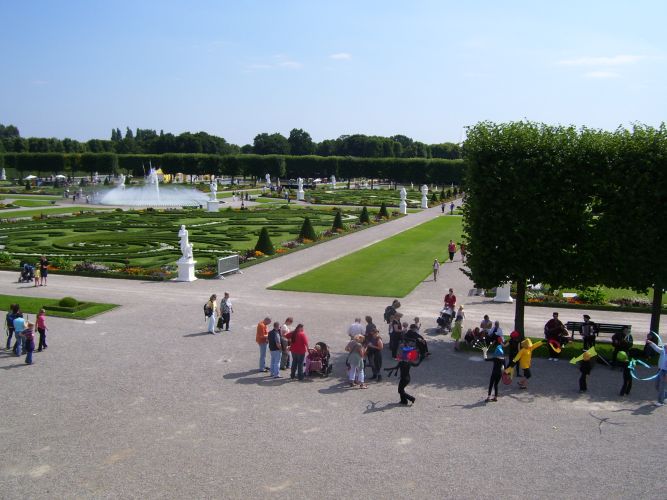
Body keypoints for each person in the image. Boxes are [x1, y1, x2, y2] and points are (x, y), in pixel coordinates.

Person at [645, 335, 666, 406]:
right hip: (659, 370)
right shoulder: (662, 352)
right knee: (657, 386)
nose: (664, 349)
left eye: (665, 348)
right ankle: (665, 396)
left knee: (662, 386)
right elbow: (656, 348)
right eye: (665, 348)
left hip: (665, 372)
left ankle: (660, 402)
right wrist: (650, 342)